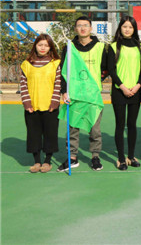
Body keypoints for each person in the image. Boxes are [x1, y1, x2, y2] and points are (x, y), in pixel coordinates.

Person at [57, 16, 108, 172]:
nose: (83, 28)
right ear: (75, 29)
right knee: (73, 128)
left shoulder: (100, 47)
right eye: (79, 25)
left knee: (95, 129)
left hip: (93, 95)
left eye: (86, 25)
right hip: (74, 94)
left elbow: (105, 68)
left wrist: (93, 83)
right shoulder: (69, 47)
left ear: (91, 28)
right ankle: (72, 157)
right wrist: (64, 91)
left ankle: (95, 157)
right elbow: (63, 71)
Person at [107, 16, 141, 170]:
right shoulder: (113, 46)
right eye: (124, 26)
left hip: (135, 91)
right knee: (120, 125)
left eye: (130, 27)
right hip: (119, 91)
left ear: (134, 29)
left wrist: (138, 86)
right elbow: (111, 70)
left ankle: (131, 156)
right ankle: (121, 158)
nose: (127, 29)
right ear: (120, 28)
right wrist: (122, 87)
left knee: (132, 125)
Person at [20, 34, 61, 173]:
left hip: (50, 106)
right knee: (33, 134)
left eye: (46, 45)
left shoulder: (55, 63)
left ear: (50, 47)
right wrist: (27, 103)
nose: (43, 48)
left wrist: (54, 102)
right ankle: (37, 161)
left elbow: (58, 84)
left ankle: (47, 161)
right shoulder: (26, 64)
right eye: (40, 45)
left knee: (50, 134)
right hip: (32, 106)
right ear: (35, 46)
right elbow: (23, 85)